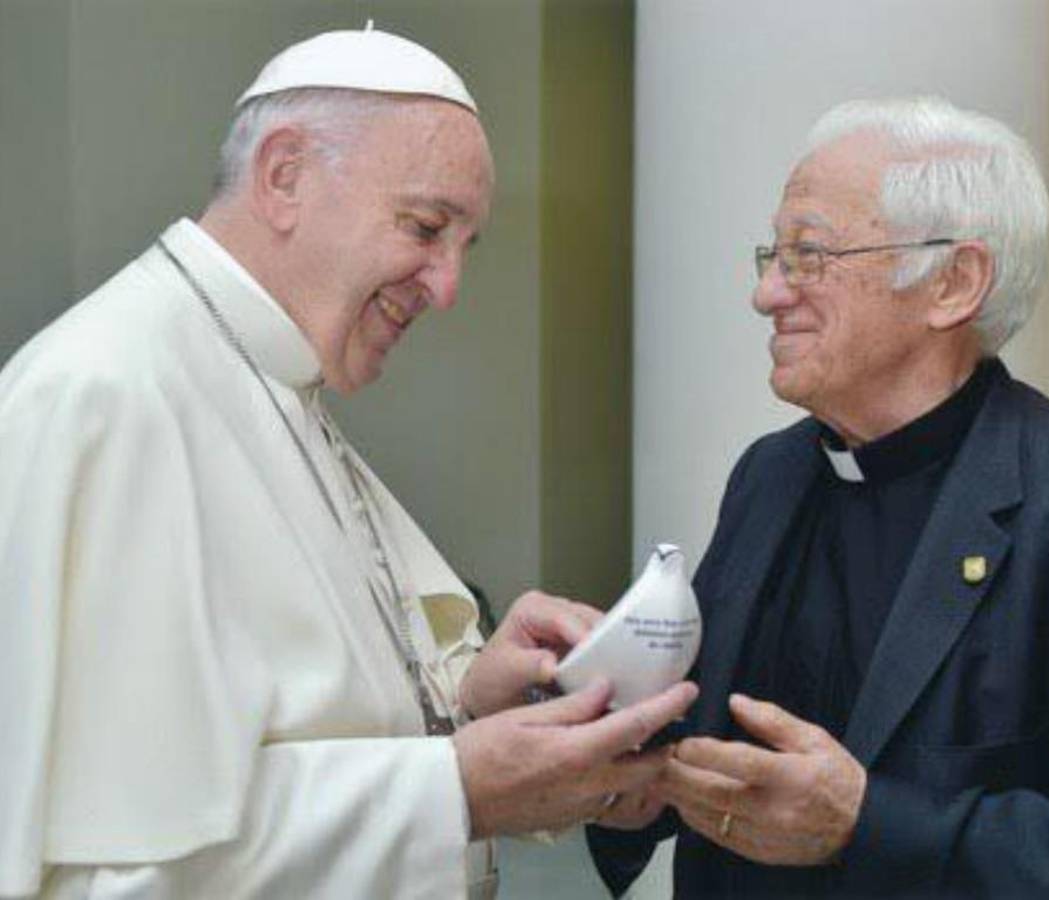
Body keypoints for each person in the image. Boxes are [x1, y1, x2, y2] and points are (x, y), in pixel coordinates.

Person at [0, 25, 697, 900]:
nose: (446, 289)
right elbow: (103, 866)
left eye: (461, 248)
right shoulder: (102, 399)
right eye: (425, 227)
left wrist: (472, 707)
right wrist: (456, 789)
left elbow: (303, 725)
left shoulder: (276, 385)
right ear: (284, 176)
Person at [589, 96, 1049, 897]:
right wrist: (627, 785)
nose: (768, 294)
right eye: (773, 256)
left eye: (809, 256)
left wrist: (867, 823)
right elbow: (706, 749)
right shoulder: (769, 475)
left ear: (953, 283)